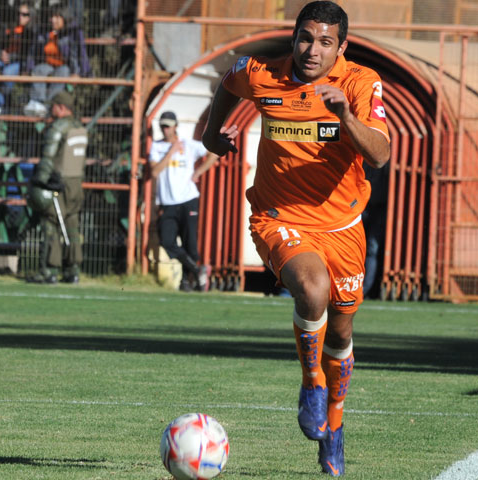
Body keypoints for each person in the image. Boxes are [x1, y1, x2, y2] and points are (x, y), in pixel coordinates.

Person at [201, 1, 390, 476]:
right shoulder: (262, 72)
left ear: (341, 47)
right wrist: (210, 133)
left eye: (326, 42)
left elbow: (382, 153)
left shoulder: (359, 83)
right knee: (311, 289)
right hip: (278, 216)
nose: (313, 49)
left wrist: (346, 117)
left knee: (342, 331)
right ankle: (311, 383)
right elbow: (230, 79)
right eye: (306, 38)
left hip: (343, 227)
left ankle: (336, 425)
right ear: (295, 37)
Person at [149, 111, 220, 292]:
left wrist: (198, 172)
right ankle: (197, 271)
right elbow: (155, 171)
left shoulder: (188, 145)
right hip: (167, 202)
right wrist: (171, 152)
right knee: (167, 240)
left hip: (188, 200)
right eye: (163, 126)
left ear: (175, 126)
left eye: (168, 126)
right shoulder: (157, 147)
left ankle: (186, 281)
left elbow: (213, 153)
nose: (165, 130)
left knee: (190, 243)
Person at [27, 90, 87, 283]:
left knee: (51, 223)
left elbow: (48, 159)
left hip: (58, 183)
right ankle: (73, 270)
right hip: (76, 183)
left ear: (61, 108)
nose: (51, 109)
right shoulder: (80, 127)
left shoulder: (58, 128)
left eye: (53, 105)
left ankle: (50, 270)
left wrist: (39, 182)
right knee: (72, 226)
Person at [24, 4, 90, 117]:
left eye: (57, 17)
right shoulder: (44, 31)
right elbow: (33, 51)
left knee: (63, 72)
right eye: (51, 17)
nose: (53, 20)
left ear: (64, 17)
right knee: (39, 69)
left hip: (65, 65)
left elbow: (80, 53)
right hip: (48, 64)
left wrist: (79, 73)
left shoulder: (73, 31)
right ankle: (37, 102)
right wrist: (27, 69)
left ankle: (50, 105)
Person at [0, 1, 37, 117]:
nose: (20, 17)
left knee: (7, 73)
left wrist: (11, 57)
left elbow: (29, 54)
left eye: (24, 14)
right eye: (19, 13)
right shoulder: (9, 27)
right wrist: (0, 53)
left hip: (19, 62)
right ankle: (0, 103)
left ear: (31, 16)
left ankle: (5, 106)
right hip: (3, 60)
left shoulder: (32, 32)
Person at [362, 161, 389, 299]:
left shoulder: (385, 155)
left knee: (372, 248)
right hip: (361, 203)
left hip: (380, 205)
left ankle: (364, 290)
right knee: (356, 246)